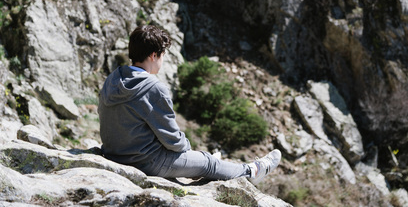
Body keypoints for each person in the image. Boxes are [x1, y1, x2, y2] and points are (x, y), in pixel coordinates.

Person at [98, 25, 281, 184]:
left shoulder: (114, 78)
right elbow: (173, 141)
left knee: (203, 159)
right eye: (162, 55)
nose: (162, 61)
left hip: (114, 153)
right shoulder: (153, 88)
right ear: (154, 55)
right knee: (208, 163)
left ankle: (204, 163)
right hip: (145, 162)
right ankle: (252, 171)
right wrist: (192, 155)